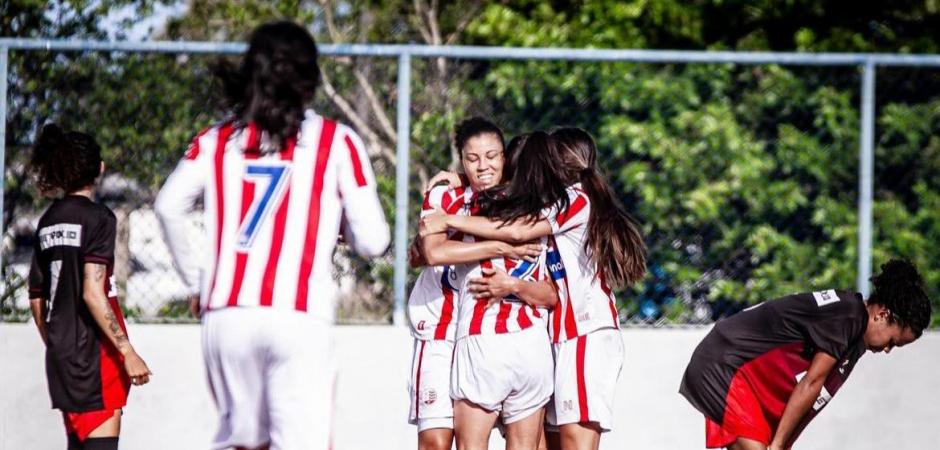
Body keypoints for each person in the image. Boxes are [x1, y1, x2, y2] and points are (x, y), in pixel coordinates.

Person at [154, 21, 389, 450]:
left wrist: (198, 282)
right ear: (310, 76)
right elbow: (374, 240)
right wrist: (338, 228)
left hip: (227, 312)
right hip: (298, 314)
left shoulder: (217, 138)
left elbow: (168, 206)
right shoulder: (337, 141)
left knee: (242, 444)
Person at [421, 127, 646, 450]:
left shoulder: (573, 199)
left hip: (583, 331)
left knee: (573, 440)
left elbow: (514, 231)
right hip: (552, 338)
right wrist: (462, 178)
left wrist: (448, 220)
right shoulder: (550, 201)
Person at [679, 259, 932, 450]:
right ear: (883, 315)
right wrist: (776, 446)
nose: (887, 350)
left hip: (736, 374)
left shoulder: (854, 341)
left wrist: (782, 444)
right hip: (725, 365)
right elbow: (811, 383)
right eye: (892, 342)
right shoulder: (848, 316)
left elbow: (814, 402)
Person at [421, 131, 567, 450]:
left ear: (505, 160)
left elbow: (430, 251)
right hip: (533, 346)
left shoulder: (471, 205)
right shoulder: (549, 211)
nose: (483, 166)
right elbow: (553, 295)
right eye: (474, 160)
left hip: (482, 343)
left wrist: (450, 200)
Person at [27, 123, 152, 450]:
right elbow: (92, 291)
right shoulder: (99, 218)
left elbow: (36, 297)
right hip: (95, 355)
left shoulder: (48, 221)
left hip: (62, 356)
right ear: (99, 169)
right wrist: (127, 352)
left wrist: (55, 341)